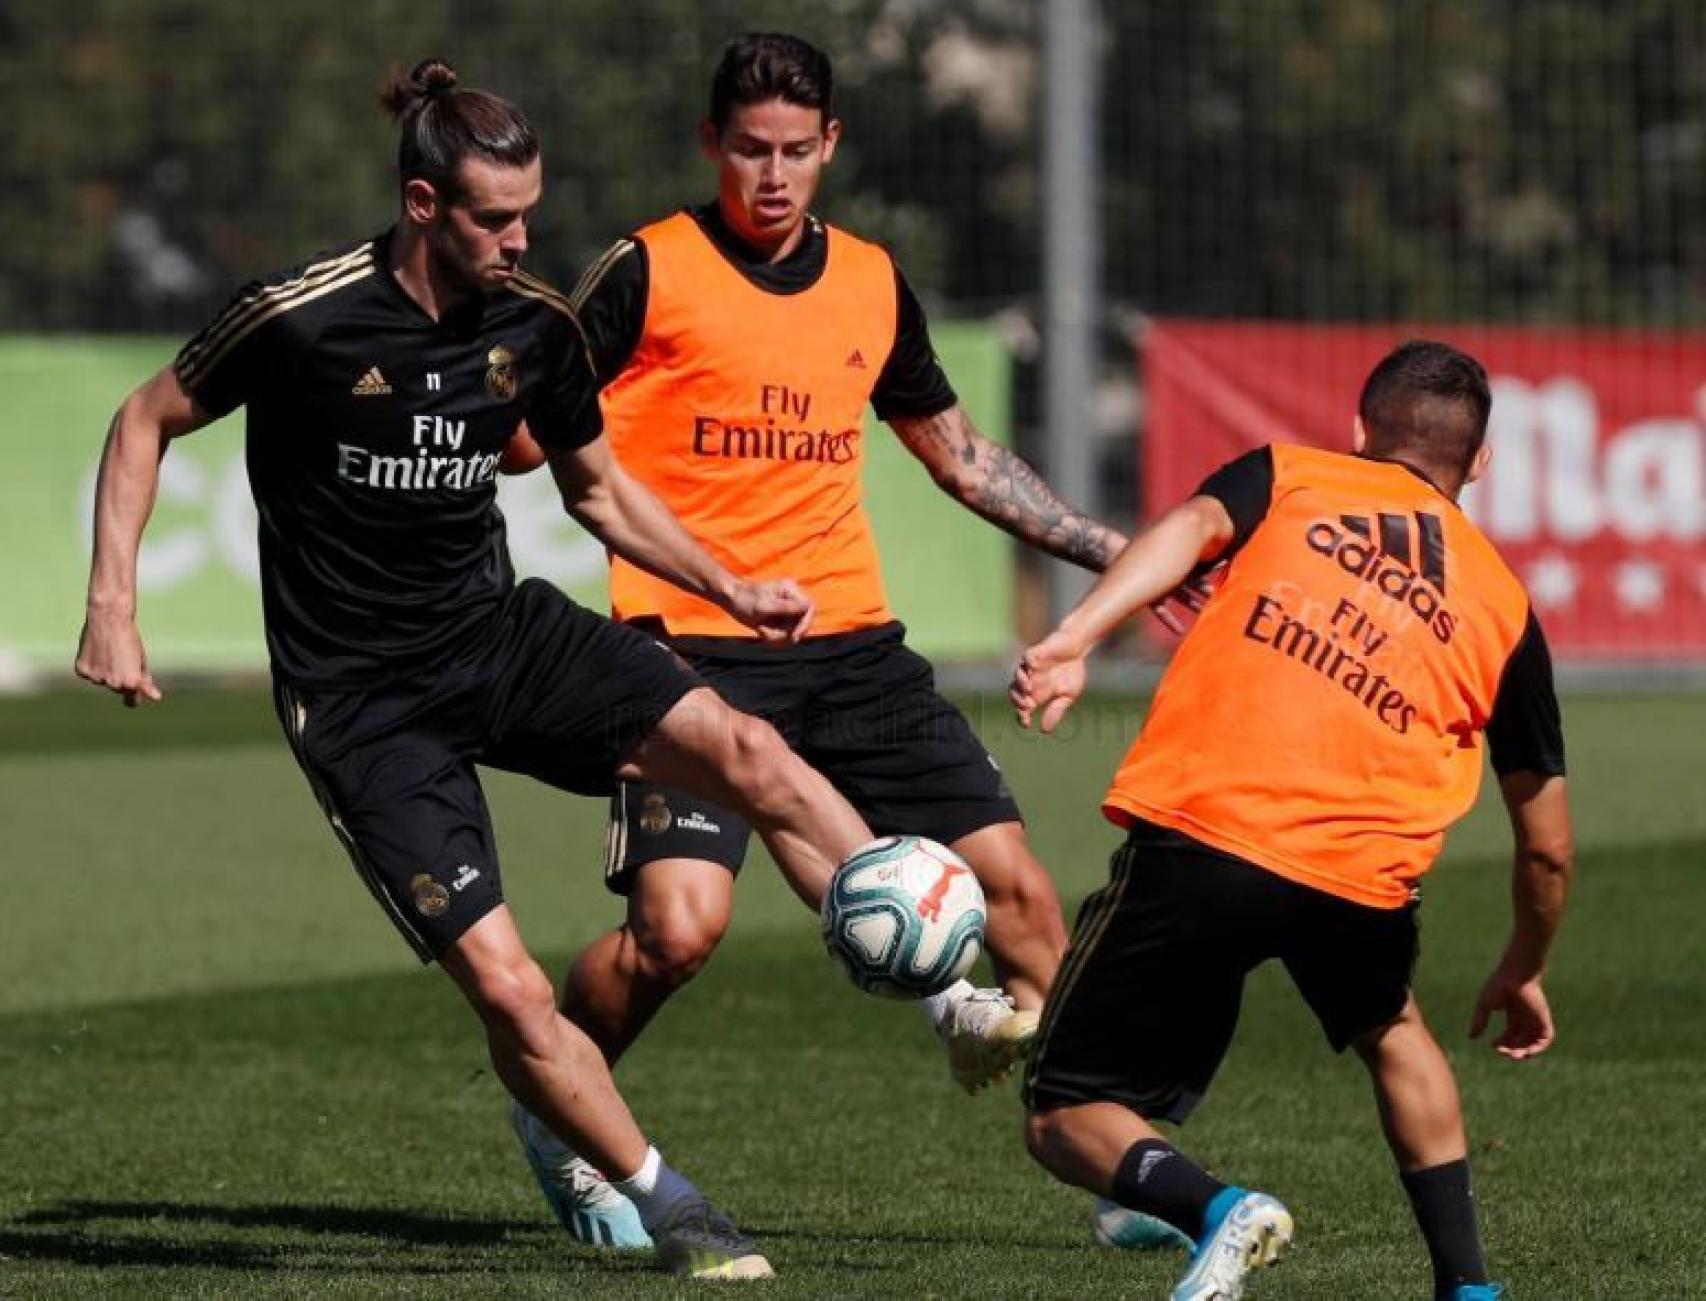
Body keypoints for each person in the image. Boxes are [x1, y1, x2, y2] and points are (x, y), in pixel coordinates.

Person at [73, 58, 887, 1282]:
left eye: (529, 214)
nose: (520, 241)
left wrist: (728, 585)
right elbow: (144, 418)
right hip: (364, 705)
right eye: (495, 219)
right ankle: (673, 1206)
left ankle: (920, 943)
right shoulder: (300, 315)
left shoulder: (536, 324)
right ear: (421, 205)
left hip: (501, 639)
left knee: (747, 745)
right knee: (508, 990)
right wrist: (113, 608)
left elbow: (598, 490)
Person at [501, 31, 1129, 1248]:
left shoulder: (872, 281)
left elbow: (962, 458)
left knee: (1019, 897)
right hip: (686, 646)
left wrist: (1118, 555)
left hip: (849, 646)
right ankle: (555, 1099)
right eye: (750, 149)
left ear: (830, 143)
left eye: (796, 149)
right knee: (676, 933)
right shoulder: (645, 268)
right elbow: (530, 434)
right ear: (711, 143)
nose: (774, 174)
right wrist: (518, 412)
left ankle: (1117, 1171)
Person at [1010, 340, 1572, 1301]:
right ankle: (1469, 1287)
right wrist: (1524, 963)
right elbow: (1548, 844)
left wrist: (1076, 636)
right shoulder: (1507, 607)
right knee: (1394, 1031)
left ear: (1358, 430)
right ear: (1479, 463)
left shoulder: (1291, 475)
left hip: (1209, 831)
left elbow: (1189, 528)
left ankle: (1215, 1208)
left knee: (1062, 1113)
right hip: (1360, 876)